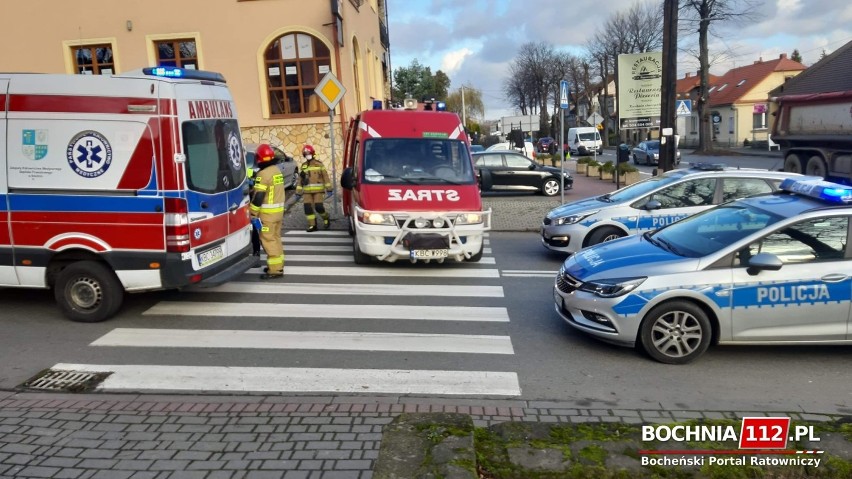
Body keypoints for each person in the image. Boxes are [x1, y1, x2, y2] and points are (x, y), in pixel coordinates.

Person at [249, 144, 286, 279]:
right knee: (276, 238)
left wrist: (252, 212)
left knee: (268, 240)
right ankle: (278, 265)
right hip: (278, 213)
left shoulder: (263, 174)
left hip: (267, 215)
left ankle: (275, 270)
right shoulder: (276, 170)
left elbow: (259, 196)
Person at [295, 144, 332, 232]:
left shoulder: (319, 164)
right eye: (306, 154)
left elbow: (325, 177)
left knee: (318, 206)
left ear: (312, 153)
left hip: (318, 191)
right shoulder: (303, 166)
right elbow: (300, 180)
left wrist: (329, 189)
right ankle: (312, 225)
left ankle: (326, 217)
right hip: (307, 192)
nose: (308, 155)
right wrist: (298, 192)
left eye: (309, 153)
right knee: (307, 208)